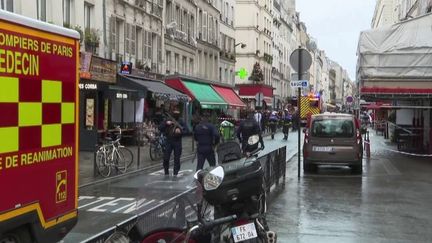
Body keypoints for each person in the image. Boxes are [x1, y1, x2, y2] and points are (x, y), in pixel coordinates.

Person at [159, 110, 188, 176]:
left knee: (177, 157)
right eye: (174, 113)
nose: (176, 115)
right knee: (166, 157)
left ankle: (175, 172)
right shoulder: (168, 120)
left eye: (177, 114)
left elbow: (187, 131)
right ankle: (166, 171)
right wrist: (166, 123)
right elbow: (160, 127)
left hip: (177, 141)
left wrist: (180, 131)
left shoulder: (181, 121)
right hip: (168, 140)